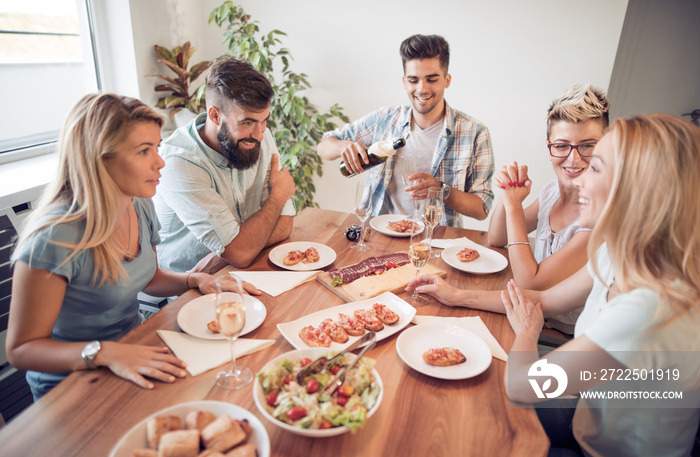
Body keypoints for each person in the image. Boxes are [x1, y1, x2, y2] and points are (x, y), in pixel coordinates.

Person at [408, 114, 700, 457]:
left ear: (638, 189)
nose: (580, 181)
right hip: (588, 420)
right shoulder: (617, 253)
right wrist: (455, 295)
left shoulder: (648, 309)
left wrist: (527, 333)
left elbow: (521, 384)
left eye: (595, 167)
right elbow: (543, 299)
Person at [6, 94, 251, 400]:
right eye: (144, 151)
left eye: (157, 148)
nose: (160, 162)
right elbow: (21, 350)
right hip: (73, 385)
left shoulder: (139, 205)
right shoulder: (53, 239)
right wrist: (105, 353)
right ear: (98, 158)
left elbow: (146, 277)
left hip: (135, 349)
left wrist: (192, 279)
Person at [317, 34, 494, 227]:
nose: (422, 89)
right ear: (404, 82)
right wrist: (344, 146)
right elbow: (324, 146)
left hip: (435, 241)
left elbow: (482, 208)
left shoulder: (475, 132)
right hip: (378, 235)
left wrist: (441, 190)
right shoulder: (383, 119)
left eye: (432, 79)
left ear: (447, 80)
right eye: (413, 80)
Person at [154, 57, 296, 273]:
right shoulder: (179, 163)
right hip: (185, 290)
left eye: (264, 120)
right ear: (214, 115)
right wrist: (278, 196)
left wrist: (227, 254)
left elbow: (284, 224)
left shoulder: (257, 136)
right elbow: (239, 254)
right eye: (246, 122)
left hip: (232, 272)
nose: (260, 134)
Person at [488, 84, 610, 334]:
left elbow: (530, 282)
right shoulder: (552, 192)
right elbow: (498, 237)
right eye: (562, 145)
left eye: (587, 145)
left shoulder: (598, 217)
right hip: (530, 315)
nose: (573, 159)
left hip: (561, 336)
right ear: (549, 146)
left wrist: (513, 206)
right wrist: (507, 191)